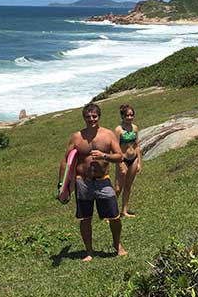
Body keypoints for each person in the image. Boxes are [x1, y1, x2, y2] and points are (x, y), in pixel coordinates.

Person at [58, 102, 126, 262]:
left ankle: (117, 245)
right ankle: (89, 251)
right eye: (88, 117)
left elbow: (120, 156)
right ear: (84, 118)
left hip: (103, 181)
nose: (91, 119)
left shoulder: (108, 135)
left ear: (99, 117)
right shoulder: (77, 137)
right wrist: (62, 186)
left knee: (115, 217)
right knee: (85, 218)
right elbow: (66, 161)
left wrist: (104, 156)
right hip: (83, 182)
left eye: (94, 116)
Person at [114, 103, 141, 217]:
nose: (129, 117)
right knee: (118, 188)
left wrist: (139, 161)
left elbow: (137, 145)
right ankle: (111, 212)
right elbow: (115, 148)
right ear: (122, 116)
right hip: (123, 159)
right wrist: (120, 164)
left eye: (131, 115)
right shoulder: (118, 130)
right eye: (127, 115)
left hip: (133, 159)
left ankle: (124, 211)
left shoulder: (135, 128)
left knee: (128, 186)